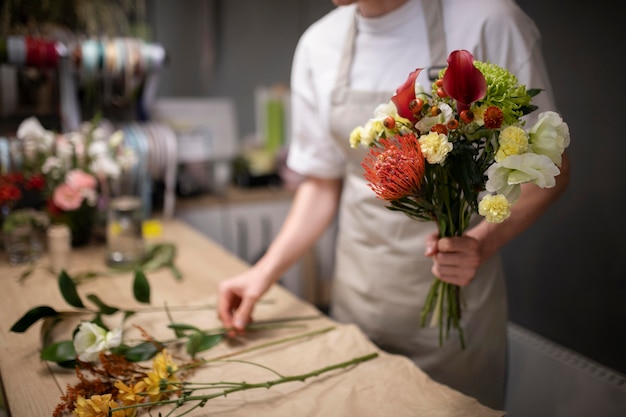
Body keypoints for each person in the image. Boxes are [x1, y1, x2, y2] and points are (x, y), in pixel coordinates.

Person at [217, 0, 571, 410]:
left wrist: (481, 243)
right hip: (357, 305)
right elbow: (322, 185)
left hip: (455, 315)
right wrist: (262, 275)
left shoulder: (489, 20)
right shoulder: (319, 44)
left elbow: (551, 171)